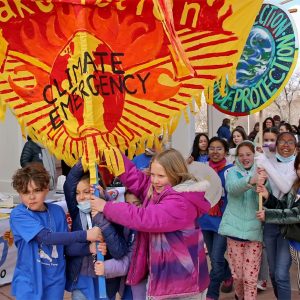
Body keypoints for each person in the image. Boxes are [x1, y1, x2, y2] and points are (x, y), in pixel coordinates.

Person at [90, 148, 211, 299]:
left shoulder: (181, 201)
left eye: (161, 176)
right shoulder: (158, 190)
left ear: (176, 174)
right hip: (168, 279)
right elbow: (134, 177)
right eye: (152, 174)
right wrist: (107, 150)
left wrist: (106, 207)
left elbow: (145, 218)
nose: (154, 180)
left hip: (183, 284)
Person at [10, 163, 102, 300]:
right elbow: (46, 237)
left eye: (36, 190)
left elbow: (66, 247)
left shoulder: (57, 212)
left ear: (47, 188)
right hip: (29, 282)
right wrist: (86, 235)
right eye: (25, 192)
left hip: (55, 282)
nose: (31, 197)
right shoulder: (19, 214)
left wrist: (88, 248)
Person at [63, 161, 129, 300]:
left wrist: (102, 220)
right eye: (78, 193)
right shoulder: (77, 213)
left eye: (87, 192)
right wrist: (86, 159)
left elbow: (119, 251)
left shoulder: (112, 214)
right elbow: (68, 249)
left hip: (105, 281)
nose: (81, 197)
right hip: (81, 279)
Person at [219, 141, 264, 299]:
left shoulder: (262, 172)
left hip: (254, 233)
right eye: (241, 155)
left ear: (254, 155)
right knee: (238, 276)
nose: (245, 158)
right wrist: (250, 180)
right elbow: (233, 189)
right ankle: (239, 296)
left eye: (249, 154)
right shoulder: (231, 172)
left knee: (250, 278)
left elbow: (268, 196)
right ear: (237, 157)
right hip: (234, 232)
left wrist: (264, 189)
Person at [255, 132, 297, 299]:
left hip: (289, 225)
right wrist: (259, 176)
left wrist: (266, 164)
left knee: (281, 273)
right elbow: (262, 186)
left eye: (290, 142)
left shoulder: (297, 164)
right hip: (270, 221)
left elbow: (285, 187)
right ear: (276, 144)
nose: (286, 145)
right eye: (282, 142)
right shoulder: (268, 161)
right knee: (273, 273)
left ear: (295, 146)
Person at [198, 137, 234, 300]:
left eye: (219, 148)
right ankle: (227, 274)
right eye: (212, 148)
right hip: (205, 219)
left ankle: (211, 294)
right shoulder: (202, 169)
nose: (215, 151)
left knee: (217, 259)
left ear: (226, 151)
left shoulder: (231, 170)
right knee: (213, 256)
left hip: (223, 220)